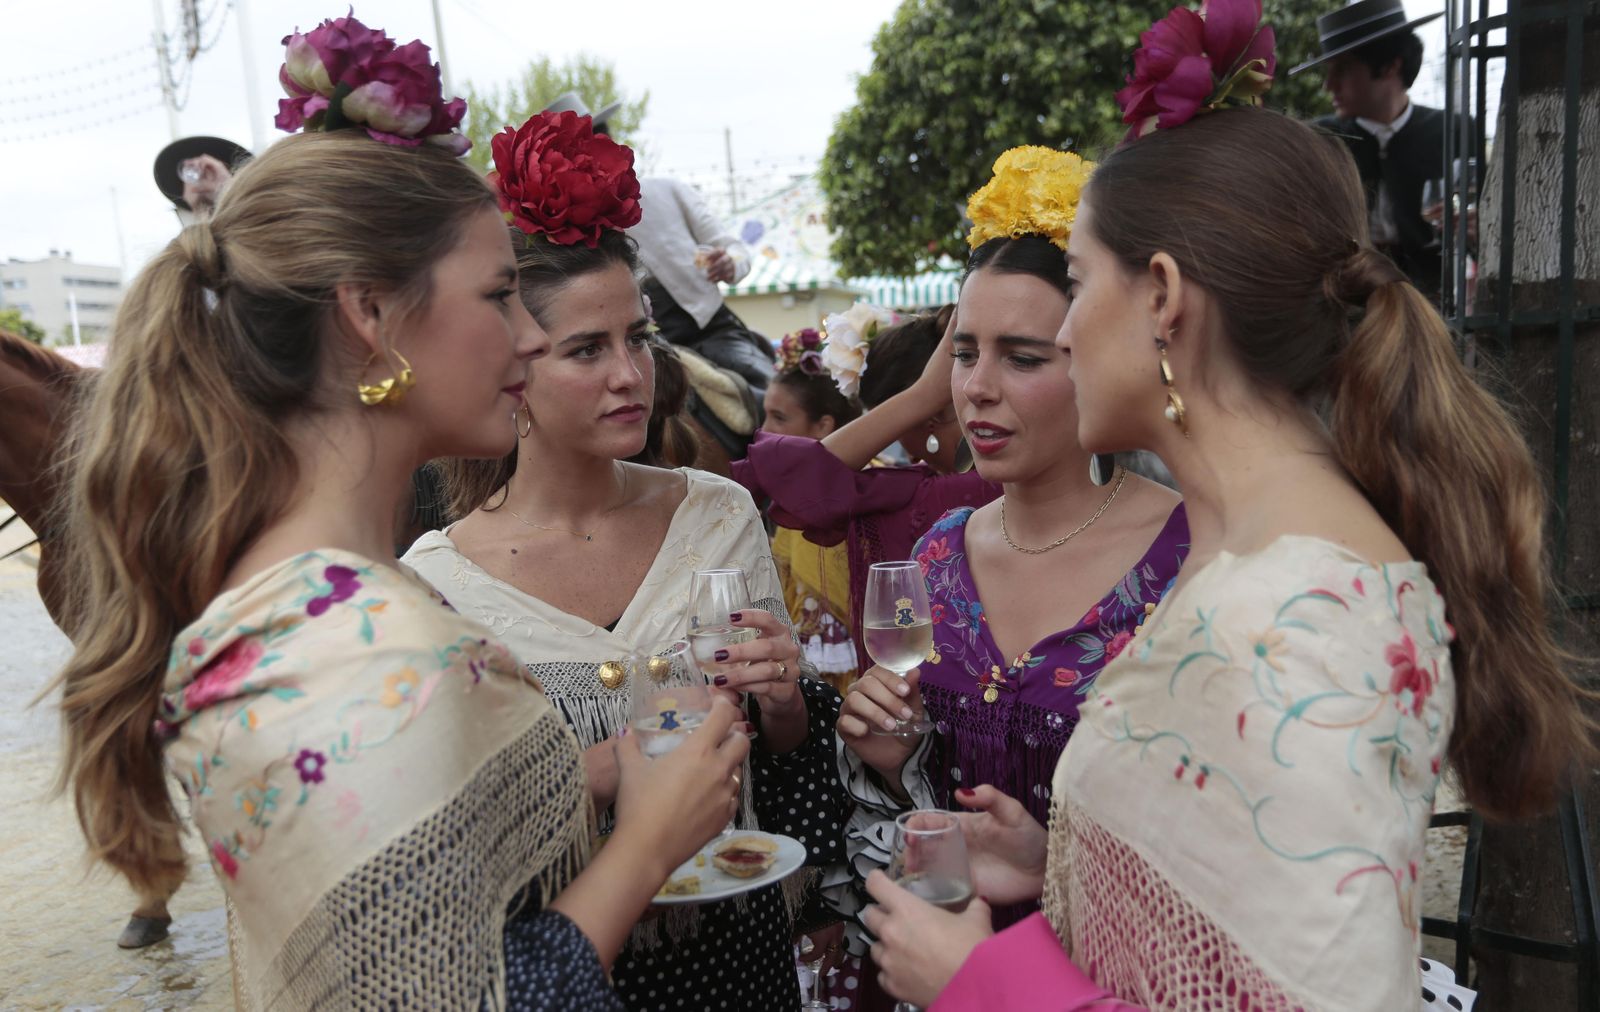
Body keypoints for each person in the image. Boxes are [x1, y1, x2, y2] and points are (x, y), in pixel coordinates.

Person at [862, 4, 1595, 1008]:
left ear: (1161, 295)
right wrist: (1056, 867)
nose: (1066, 333)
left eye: (1077, 284)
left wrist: (978, 978)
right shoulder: (1263, 555)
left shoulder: (1292, 618)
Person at [51, 15, 746, 1007]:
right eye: (500, 295)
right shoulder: (374, 648)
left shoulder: (307, 599)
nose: (524, 341)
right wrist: (643, 848)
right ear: (369, 315)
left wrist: (582, 775)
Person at [403, 109, 848, 1012]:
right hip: (576, 976)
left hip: (742, 959)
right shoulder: (436, 584)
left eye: (638, 339)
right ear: (515, 365)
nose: (630, 375)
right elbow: (455, 853)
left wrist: (786, 698)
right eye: (586, 350)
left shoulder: (717, 513)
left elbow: (782, 749)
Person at [833, 147, 1188, 1012]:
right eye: (964, 354)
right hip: (933, 968)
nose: (977, 391)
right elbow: (914, 804)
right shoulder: (935, 554)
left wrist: (1057, 857)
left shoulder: (1188, 556)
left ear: (1097, 350)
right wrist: (890, 755)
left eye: (1023, 358)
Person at [732, 305, 1002, 674]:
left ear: (933, 415)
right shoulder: (930, 485)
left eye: (897, 422)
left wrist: (922, 395)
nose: (895, 443)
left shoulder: (955, 491)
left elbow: (798, 484)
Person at [1292, 0, 1451, 295]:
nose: (1328, 85)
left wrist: (1478, 231)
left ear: (1391, 66)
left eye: (1342, 69)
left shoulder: (1451, 133)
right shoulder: (1320, 140)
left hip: (1434, 305)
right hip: (1344, 306)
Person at [761, 329, 865, 692]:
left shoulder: (865, 486)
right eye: (765, 416)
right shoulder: (790, 494)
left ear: (823, 426)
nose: (764, 430)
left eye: (778, 417)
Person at [152, 135, 251, 225]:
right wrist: (199, 207)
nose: (202, 175)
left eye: (210, 169)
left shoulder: (256, 219)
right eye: (190, 170)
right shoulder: (189, 241)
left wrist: (227, 190)